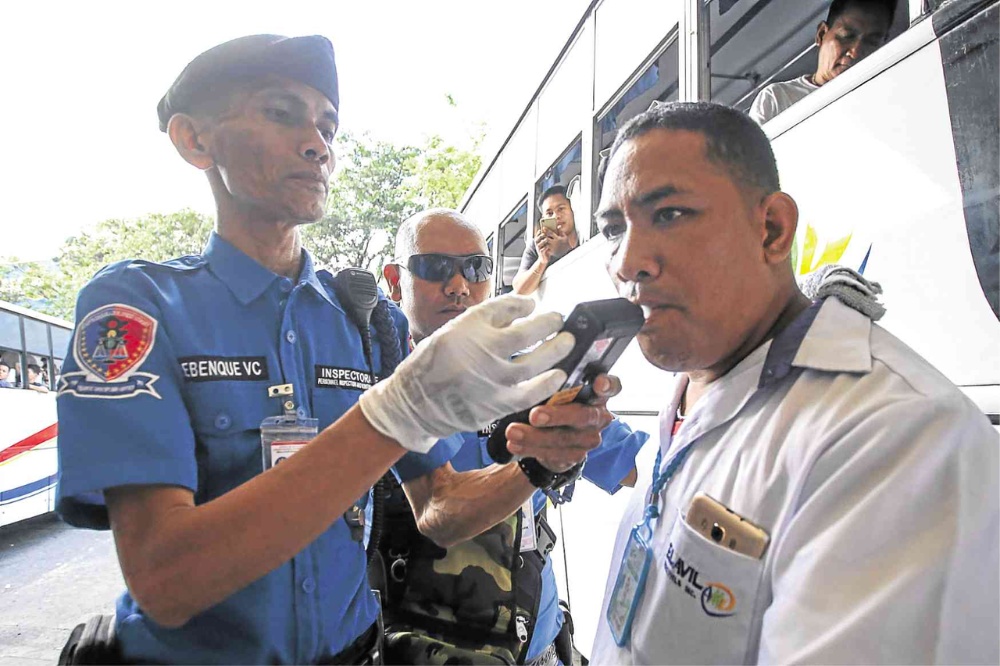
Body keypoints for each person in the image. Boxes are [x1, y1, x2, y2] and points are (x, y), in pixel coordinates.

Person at [55, 34, 617, 665]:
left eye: (327, 125)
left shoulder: (362, 322)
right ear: (194, 139)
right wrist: (392, 415)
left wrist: (537, 463)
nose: (316, 142)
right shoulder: (137, 309)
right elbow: (166, 581)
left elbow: (440, 510)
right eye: (279, 112)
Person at [589, 101, 999, 664]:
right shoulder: (703, 372)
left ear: (772, 230)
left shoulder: (897, 435)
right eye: (614, 229)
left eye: (671, 214)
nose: (627, 261)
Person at [380, 209, 649, 665]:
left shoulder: (531, 371)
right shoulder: (375, 379)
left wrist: (582, 419)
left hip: (536, 648)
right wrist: (538, 464)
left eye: (477, 268)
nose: (459, 285)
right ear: (394, 279)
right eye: (435, 268)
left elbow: (630, 470)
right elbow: (437, 511)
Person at [749, 0, 894, 125]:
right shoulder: (778, 98)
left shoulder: (885, 101)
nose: (855, 52)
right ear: (821, 34)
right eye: (847, 36)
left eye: (871, 42)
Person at [512, 185, 580, 295]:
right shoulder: (538, 246)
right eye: (549, 213)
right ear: (543, 220)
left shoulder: (586, 233)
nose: (556, 216)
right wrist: (542, 261)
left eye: (561, 209)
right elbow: (520, 290)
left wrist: (565, 251)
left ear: (573, 210)